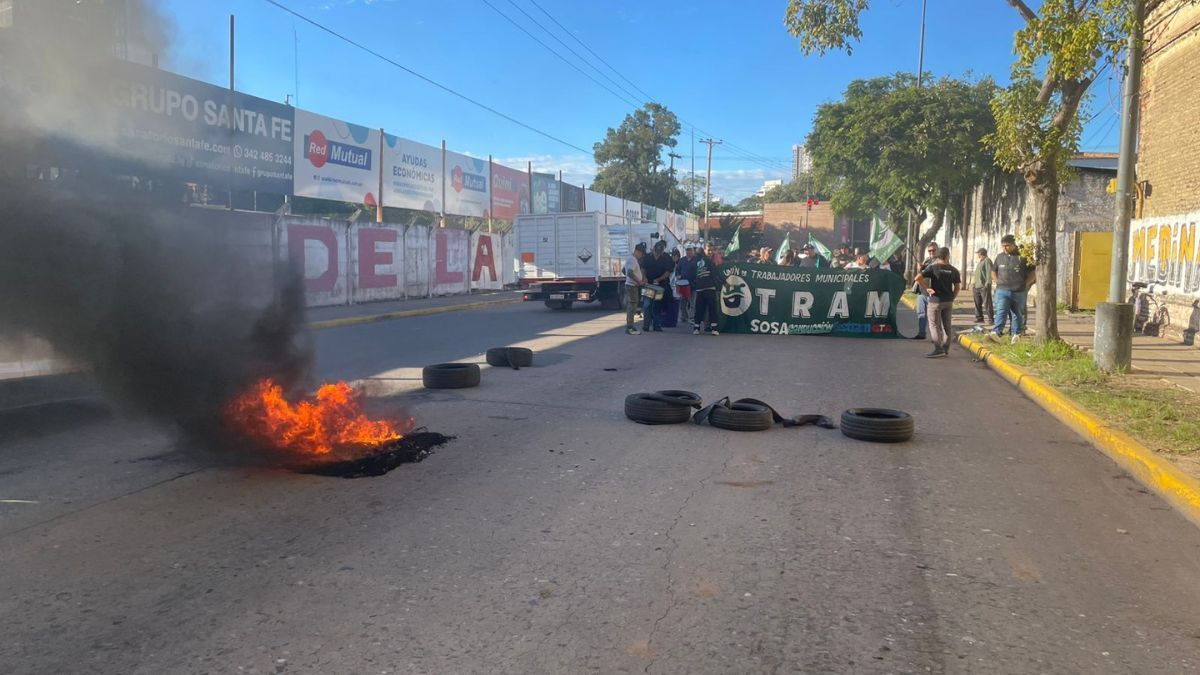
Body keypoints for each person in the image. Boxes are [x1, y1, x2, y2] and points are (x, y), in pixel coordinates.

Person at [989, 234, 1036, 343]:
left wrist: (1025, 284)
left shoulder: (1023, 256)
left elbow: (1034, 272)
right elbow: (993, 271)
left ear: (1014, 245)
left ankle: (1016, 334)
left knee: (1017, 314)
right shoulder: (1000, 257)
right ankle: (996, 332)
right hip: (1002, 290)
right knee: (1001, 310)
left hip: (1018, 291)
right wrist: (997, 281)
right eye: (1003, 246)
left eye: (1007, 246)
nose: (1005, 248)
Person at [915, 247, 961, 358]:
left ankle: (938, 348)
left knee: (934, 325)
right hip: (948, 301)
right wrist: (952, 297)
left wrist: (927, 288)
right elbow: (957, 287)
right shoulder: (954, 270)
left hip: (935, 300)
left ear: (938, 256)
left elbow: (918, 277)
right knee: (947, 326)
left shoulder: (933, 268)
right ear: (947, 256)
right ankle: (945, 348)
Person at [640, 240, 673, 332]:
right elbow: (643, 268)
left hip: (660, 287)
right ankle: (646, 325)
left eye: (660, 252)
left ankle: (657, 325)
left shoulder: (666, 258)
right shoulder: (647, 257)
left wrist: (658, 279)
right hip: (649, 285)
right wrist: (644, 277)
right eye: (656, 251)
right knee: (647, 305)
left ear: (662, 251)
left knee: (657, 305)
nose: (658, 253)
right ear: (653, 249)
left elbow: (668, 272)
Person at [692, 242, 724, 335]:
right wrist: (694, 284)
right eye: (708, 249)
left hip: (710, 288)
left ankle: (714, 328)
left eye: (711, 250)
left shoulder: (712, 261)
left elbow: (716, 274)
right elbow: (693, 273)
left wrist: (723, 282)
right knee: (699, 309)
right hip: (700, 289)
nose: (710, 251)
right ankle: (696, 327)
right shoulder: (698, 260)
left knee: (712, 309)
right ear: (704, 250)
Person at [913, 242, 940, 340]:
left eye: (933, 250)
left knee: (934, 317)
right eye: (929, 251)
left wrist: (925, 269)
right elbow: (920, 275)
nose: (931, 252)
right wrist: (920, 269)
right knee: (921, 314)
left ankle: (936, 337)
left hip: (933, 293)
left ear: (937, 250)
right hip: (922, 292)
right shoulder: (926, 260)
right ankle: (921, 333)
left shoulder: (939, 261)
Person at [623, 242, 647, 335]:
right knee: (632, 306)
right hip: (632, 286)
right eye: (641, 253)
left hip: (632, 285)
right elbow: (629, 272)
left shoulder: (632, 259)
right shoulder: (632, 259)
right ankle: (630, 327)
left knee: (633, 306)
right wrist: (639, 281)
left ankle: (630, 326)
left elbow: (624, 270)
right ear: (637, 251)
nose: (641, 256)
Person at [972, 247, 995, 329]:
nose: (977, 254)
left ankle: (991, 319)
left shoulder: (987, 260)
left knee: (987, 303)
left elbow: (989, 272)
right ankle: (979, 317)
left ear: (981, 253)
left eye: (978, 253)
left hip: (983, 286)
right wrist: (974, 283)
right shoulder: (980, 262)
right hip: (977, 286)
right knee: (977, 303)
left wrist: (988, 282)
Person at [675, 246, 695, 325]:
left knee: (693, 301)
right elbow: (677, 270)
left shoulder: (696, 260)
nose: (689, 252)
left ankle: (692, 317)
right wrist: (677, 275)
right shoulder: (682, 260)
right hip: (683, 284)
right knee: (683, 301)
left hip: (693, 284)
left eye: (690, 251)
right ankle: (684, 316)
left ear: (693, 251)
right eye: (687, 251)